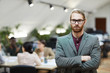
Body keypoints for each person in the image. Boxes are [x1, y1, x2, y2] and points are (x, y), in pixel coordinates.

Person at [55, 9, 101, 73]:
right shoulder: (61, 40)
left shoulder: (94, 39)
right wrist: (81, 58)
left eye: (79, 20)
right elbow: (59, 62)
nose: (76, 23)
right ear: (70, 21)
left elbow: (95, 63)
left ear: (84, 21)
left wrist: (71, 67)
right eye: (74, 20)